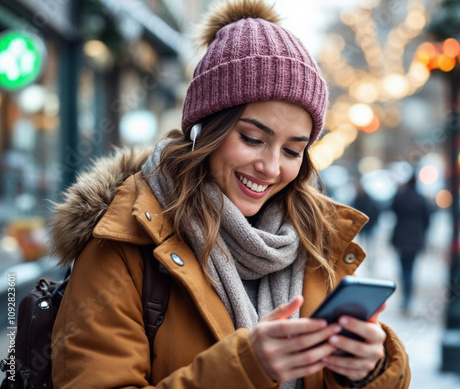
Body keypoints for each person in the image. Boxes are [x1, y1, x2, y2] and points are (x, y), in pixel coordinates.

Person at [50, 1, 410, 388]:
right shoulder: (124, 240)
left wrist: (369, 370)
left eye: (292, 150)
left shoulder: (318, 242)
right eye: (253, 138)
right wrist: (245, 368)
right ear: (205, 130)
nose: (271, 168)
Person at [390, 173, 431, 313]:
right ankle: (408, 298)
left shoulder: (401, 196)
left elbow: (392, 209)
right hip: (415, 239)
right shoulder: (421, 198)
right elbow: (427, 220)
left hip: (401, 238)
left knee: (403, 269)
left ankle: (405, 297)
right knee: (411, 270)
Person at [352, 184, 380, 273]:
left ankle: (370, 261)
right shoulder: (357, 199)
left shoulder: (368, 199)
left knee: (369, 245)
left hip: (368, 226)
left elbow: (375, 211)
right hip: (363, 227)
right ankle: (365, 260)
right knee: (364, 245)